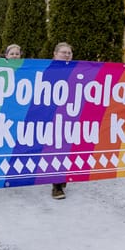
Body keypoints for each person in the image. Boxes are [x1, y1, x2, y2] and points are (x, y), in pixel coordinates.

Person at [49, 41, 75, 200]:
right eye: (63, 52)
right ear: (55, 54)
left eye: (69, 53)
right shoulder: (46, 69)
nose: (66, 55)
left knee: (67, 147)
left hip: (71, 113)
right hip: (52, 115)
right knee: (56, 148)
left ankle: (62, 175)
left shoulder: (77, 69)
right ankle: (57, 185)